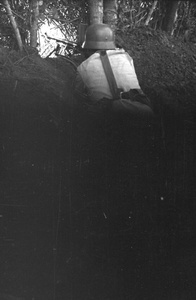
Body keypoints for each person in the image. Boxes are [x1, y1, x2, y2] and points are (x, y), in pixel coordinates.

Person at [74, 23, 153, 117]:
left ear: (88, 47)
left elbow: (77, 95)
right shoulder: (126, 57)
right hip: (143, 110)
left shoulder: (83, 67)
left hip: (109, 116)